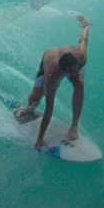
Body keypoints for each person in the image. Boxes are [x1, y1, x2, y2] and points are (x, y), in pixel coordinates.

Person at [14, 14, 89, 150]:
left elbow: (83, 40)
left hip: (71, 63)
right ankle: (30, 108)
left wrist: (85, 26)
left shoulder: (80, 58)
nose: (72, 75)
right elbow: (49, 108)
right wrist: (40, 139)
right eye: (70, 72)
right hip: (48, 66)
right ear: (62, 69)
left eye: (74, 70)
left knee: (79, 83)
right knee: (34, 98)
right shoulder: (51, 74)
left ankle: (74, 126)